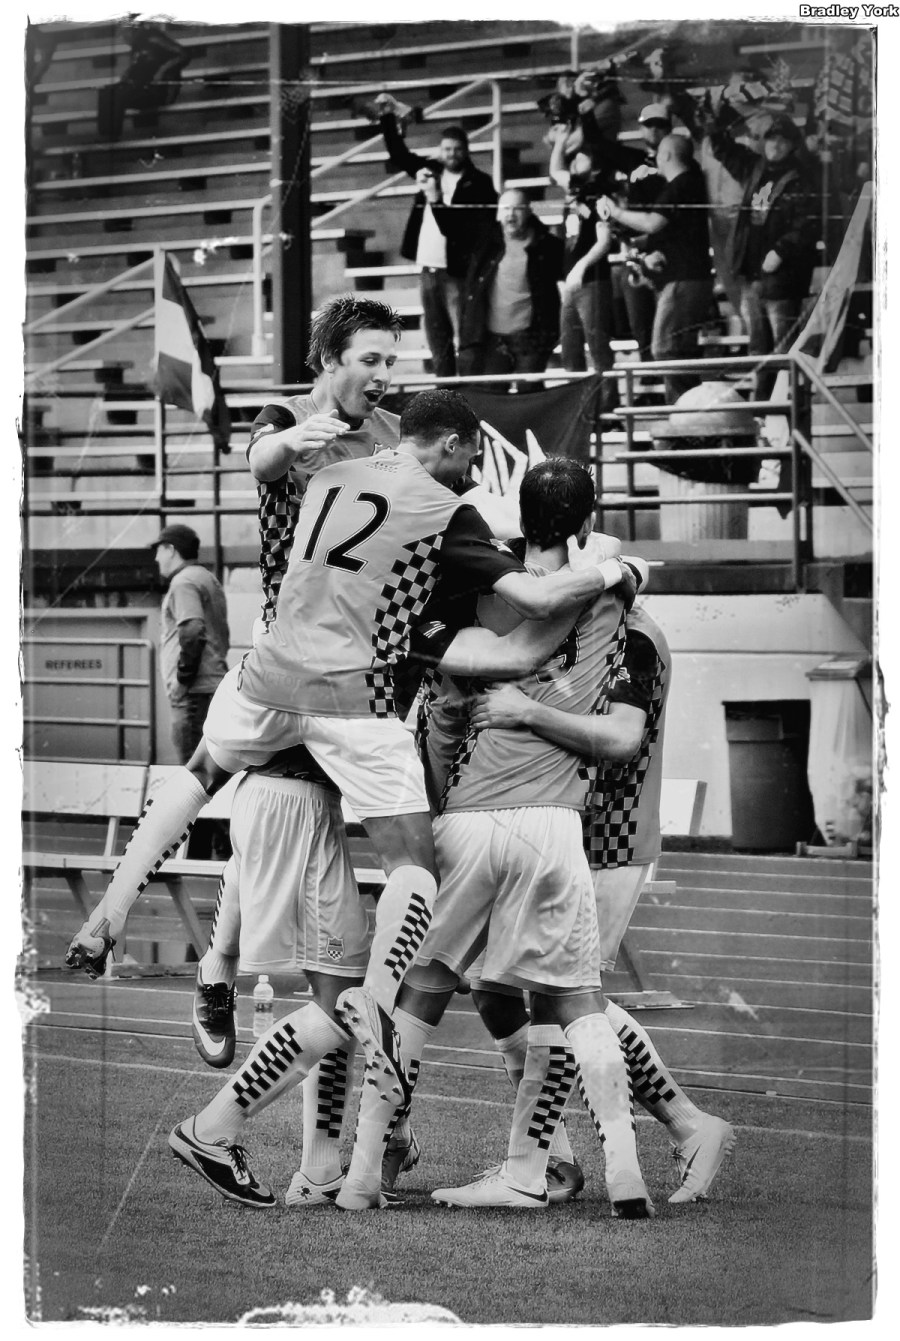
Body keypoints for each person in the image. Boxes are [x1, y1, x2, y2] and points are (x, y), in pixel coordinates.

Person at [65, 390, 636, 1124]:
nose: (469, 476)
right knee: (372, 955)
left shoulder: (330, 478)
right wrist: (616, 570)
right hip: (337, 729)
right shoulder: (442, 534)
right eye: (374, 360)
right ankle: (243, 1107)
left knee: (209, 781)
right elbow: (526, 624)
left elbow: (267, 460)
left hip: (268, 684)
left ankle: (164, 947)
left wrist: (285, 443)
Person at [335, 457, 654, 1218]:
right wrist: (614, 564)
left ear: (518, 519)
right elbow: (616, 570)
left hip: (471, 815)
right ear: (585, 522)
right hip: (555, 822)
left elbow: (442, 715)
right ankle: (624, 1169)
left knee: (419, 988)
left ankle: (362, 1175)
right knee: (577, 1000)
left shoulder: (480, 596)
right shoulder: (611, 594)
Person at [459, 605, 736, 1208]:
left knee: (560, 995)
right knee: (497, 988)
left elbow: (622, 737)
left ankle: (551, 1163)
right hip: (557, 828)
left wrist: (525, 711)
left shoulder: (635, 635)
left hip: (608, 839)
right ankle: (568, 1155)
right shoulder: (582, 625)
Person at [191, 294, 404, 1061]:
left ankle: (253, 973)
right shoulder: (288, 415)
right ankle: (220, 971)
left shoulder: (392, 433)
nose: (384, 372)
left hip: (359, 656)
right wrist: (290, 442)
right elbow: (260, 459)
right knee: (271, 800)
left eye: (391, 359)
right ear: (330, 359)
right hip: (287, 651)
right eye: (370, 359)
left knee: (297, 805)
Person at [374, 97, 498, 377]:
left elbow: (459, 230)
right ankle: (445, 391)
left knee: (465, 337)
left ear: (466, 151)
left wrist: (435, 198)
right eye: (446, 149)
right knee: (437, 338)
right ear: (440, 151)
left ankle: (469, 391)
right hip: (428, 267)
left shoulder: (480, 183)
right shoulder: (431, 170)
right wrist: (387, 117)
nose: (451, 154)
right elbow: (399, 154)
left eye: (457, 149)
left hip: (459, 272)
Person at [706, 110, 819, 402]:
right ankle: (762, 406)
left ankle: (785, 408)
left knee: (783, 348)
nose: (775, 145)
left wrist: (781, 251)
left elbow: (807, 224)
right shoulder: (755, 167)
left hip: (782, 280)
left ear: (792, 145)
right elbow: (723, 149)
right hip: (752, 276)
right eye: (771, 139)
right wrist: (718, 120)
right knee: (758, 348)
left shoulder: (802, 178)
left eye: (782, 140)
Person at [599, 134, 714, 403]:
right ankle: (686, 409)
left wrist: (616, 212)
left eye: (659, 154)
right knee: (678, 351)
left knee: (665, 349)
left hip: (684, 280)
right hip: (687, 278)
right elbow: (668, 234)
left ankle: (686, 407)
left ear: (667, 155)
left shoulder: (680, 185)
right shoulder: (689, 184)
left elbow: (653, 223)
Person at [582, 102, 673, 361]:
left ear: (669, 129)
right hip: (636, 253)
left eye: (660, 125)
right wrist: (586, 111)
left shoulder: (680, 162)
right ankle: (650, 382)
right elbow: (596, 143)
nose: (654, 130)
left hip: (669, 251)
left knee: (667, 331)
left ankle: (669, 382)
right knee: (641, 329)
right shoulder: (634, 160)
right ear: (641, 129)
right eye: (649, 125)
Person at [454, 189, 565, 382]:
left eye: (517, 208)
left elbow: (562, 290)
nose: (511, 214)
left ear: (529, 212)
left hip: (531, 338)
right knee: (492, 393)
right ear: (498, 213)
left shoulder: (548, 246)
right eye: (505, 209)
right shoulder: (485, 244)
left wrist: (552, 334)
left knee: (528, 392)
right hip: (492, 337)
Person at [151, 523, 229, 768]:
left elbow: (193, 631)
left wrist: (182, 679)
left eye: (159, 550)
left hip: (193, 692)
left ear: (171, 549)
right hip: (208, 687)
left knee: (192, 771)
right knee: (208, 767)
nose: (156, 558)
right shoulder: (206, 577)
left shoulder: (183, 582)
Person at [547, 134, 615, 391]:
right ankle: (575, 403)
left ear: (595, 167)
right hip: (570, 283)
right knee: (570, 349)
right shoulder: (574, 190)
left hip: (593, 281)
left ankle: (607, 405)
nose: (574, 162)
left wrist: (580, 266)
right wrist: (561, 139)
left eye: (581, 159)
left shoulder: (599, 196)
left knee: (598, 348)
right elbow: (556, 170)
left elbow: (604, 241)